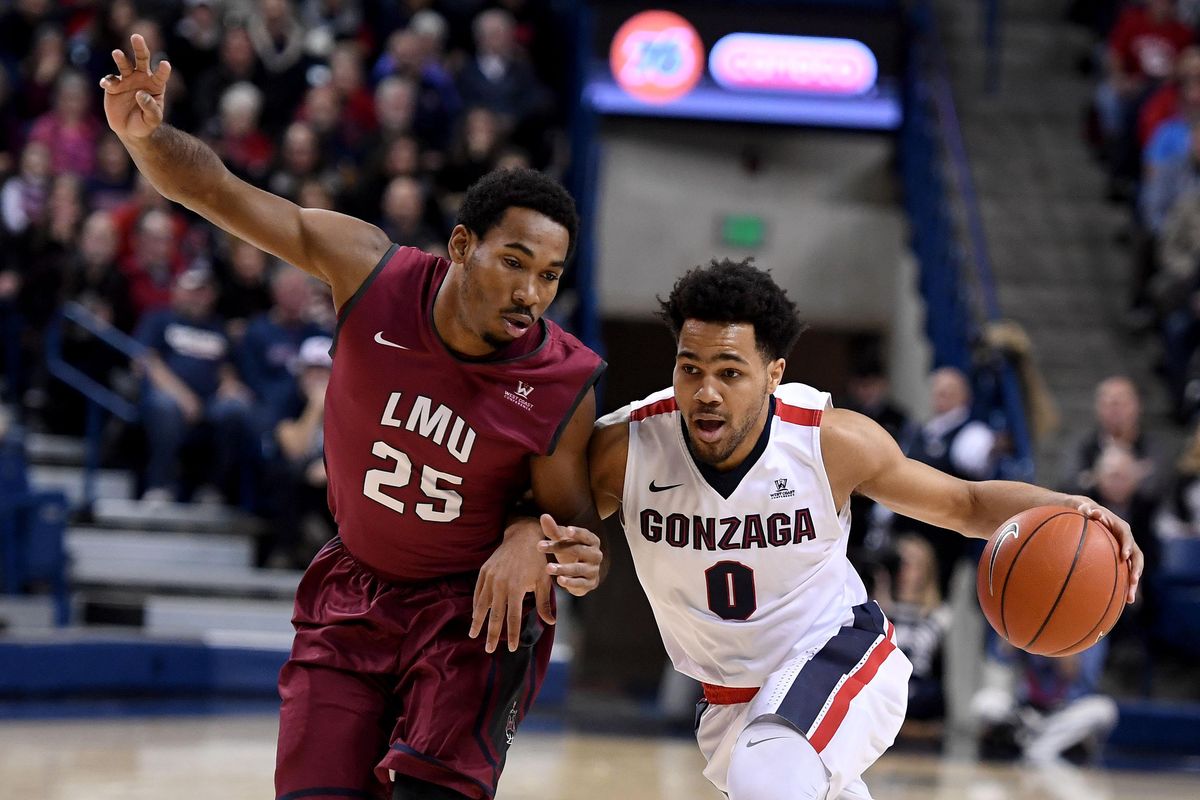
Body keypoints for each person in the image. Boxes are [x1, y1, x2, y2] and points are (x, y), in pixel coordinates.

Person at [101, 34, 605, 800]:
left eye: (549, 276)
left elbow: (567, 526)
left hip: (470, 619)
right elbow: (220, 193)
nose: (531, 293)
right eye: (514, 263)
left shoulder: (561, 378)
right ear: (463, 246)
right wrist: (147, 138)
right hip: (353, 589)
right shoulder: (368, 271)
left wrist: (534, 537)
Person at [587, 259, 1143, 800]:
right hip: (731, 697)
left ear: (773, 374)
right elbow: (565, 528)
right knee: (774, 771)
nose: (707, 391)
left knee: (770, 774)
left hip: (840, 653)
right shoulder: (627, 450)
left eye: (730, 372)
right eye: (691, 369)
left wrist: (1070, 504)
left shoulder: (828, 442)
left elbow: (966, 502)